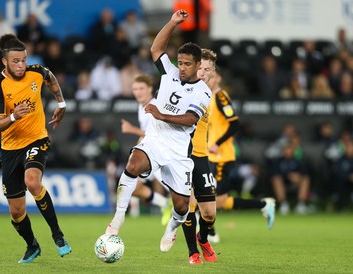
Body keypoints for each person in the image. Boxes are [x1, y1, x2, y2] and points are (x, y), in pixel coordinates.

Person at [104, 10, 212, 256]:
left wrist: (161, 114)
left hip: (178, 150)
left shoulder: (203, 92)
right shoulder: (169, 73)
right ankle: (118, 218)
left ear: (197, 65)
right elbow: (155, 49)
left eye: (187, 64)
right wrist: (173, 22)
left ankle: (171, 229)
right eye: (180, 62)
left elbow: (190, 119)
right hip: (155, 140)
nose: (182, 68)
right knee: (133, 164)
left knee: (182, 206)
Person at [0, 34, 71, 263]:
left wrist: (61, 103)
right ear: (4, 62)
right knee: (16, 212)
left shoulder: (36, 71)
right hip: (10, 149)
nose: (21, 65)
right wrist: (14, 116)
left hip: (36, 139)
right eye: (15, 61)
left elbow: (51, 77)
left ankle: (58, 236)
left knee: (32, 182)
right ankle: (32, 245)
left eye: (23, 60)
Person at [207, 64, 276, 243]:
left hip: (222, 156)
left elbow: (235, 124)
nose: (207, 77)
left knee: (214, 199)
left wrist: (216, 143)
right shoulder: (208, 97)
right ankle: (263, 204)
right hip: (211, 156)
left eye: (211, 75)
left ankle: (210, 231)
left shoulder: (221, 97)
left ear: (219, 79)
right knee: (215, 199)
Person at [181, 49, 218, 264]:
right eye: (200, 68)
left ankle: (203, 238)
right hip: (183, 156)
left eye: (207, 69)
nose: (203, 72)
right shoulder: (184, 88)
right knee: (188, 204)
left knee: (210, 213)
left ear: (212, 72)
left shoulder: (210, 93)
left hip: (201, 155)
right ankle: (192, 252)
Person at [120, 74, 170, 220]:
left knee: (183, 195)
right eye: (135, 89)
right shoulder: (141, 107)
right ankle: (165, 203)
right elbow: (147, 134)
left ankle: (203, 226)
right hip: (149, 155)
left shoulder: (155, 106)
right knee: (133, 188)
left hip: (162, 156)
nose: (138, 92)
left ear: (150, 88)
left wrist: (131, 129)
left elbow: (158, 133)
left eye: (141, 88)